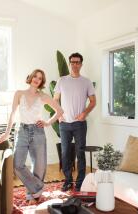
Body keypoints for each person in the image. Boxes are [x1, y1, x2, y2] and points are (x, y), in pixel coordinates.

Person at [0, 69, 63, 203]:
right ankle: (38, 188)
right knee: (17, 164)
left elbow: (60, 111)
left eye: (40, 78)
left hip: (38, 132)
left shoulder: (42, 96)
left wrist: (47, 123)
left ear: (41, 82)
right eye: (35, 76)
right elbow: (13, 114)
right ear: (31, 77)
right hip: (22, 131)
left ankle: (31, 194)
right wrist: (7, 133)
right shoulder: (19, 94)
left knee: (38, 166)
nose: (37, 79)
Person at [54, 53, 96, 192]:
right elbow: (55, 100)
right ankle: (67, 181)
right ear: (70, 63)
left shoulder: (86, 82)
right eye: (72, 62)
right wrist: (59, 115)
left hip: (79, 124)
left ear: (81, 64)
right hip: (64, 124)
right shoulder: (62, 80)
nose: (75, 64)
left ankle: (80, 182)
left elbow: (93, 101)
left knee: (80, 153)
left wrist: (84, 113)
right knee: (65, 153)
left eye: (77, 62)